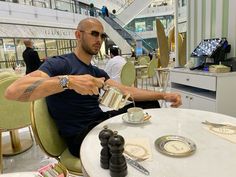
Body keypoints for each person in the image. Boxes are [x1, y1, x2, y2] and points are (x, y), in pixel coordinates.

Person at [5, 18, 182, 158]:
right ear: (78, 35)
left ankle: (157, 148)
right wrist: (68, 82)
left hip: (100, 122)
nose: (99, 40)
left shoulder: (96, 71)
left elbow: (127, 92)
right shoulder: (60, 64)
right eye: (94, 34)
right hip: (79, 136)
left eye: (102, 36)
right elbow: (13, 91)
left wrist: (164, 95)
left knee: (151, 103)